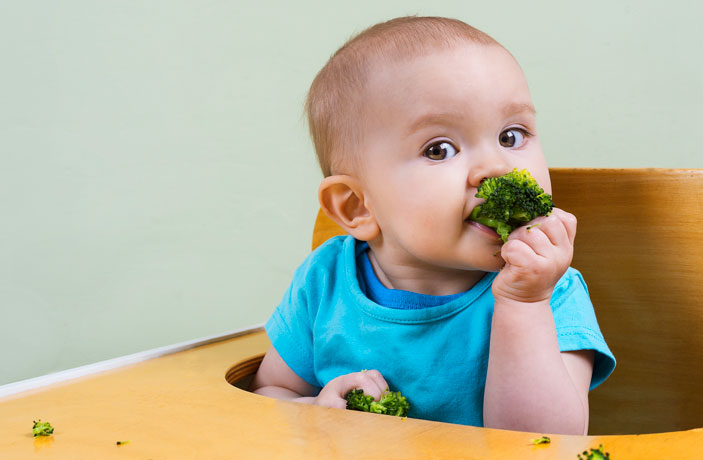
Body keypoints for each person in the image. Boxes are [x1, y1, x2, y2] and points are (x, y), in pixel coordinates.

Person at [249, 16, 615, 435]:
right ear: (357, 207)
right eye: (440, 149)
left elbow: (544, 444)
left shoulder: (551, 292)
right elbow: (268, 392)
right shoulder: (324, 282)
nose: (497, 167)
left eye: (512, 136)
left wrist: (523, 305)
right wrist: (314, 410)